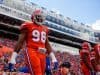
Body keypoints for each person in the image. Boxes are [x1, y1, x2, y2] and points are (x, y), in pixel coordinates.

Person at [9, 9, 57, 75]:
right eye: (38, 17)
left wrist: (53, 58)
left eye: (41, 18)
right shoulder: (28, 25)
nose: (40, 19)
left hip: (42, 53)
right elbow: (20, 42)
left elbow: (47, 44)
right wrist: (13, 58)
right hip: (32, 51)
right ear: (33, 17)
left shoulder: (45, 29)